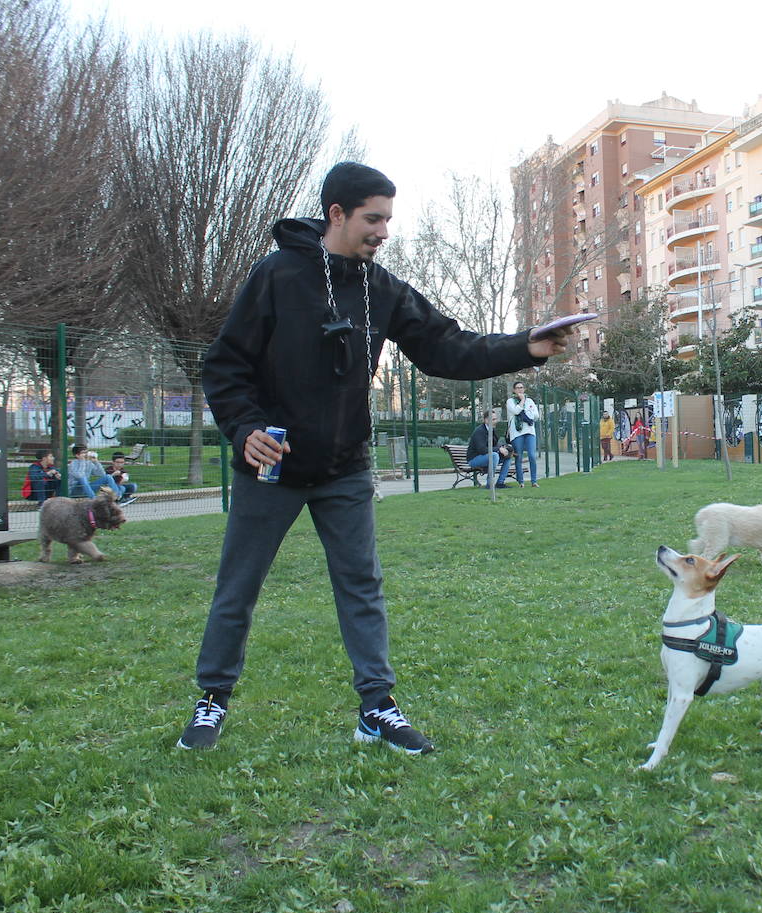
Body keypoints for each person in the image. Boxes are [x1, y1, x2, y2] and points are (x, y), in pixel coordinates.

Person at [178, 162, 572, 754]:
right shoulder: (276, 276)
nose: (384, 231)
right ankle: (212, 700)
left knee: (362, 586)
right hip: (272, 465)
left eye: (388, 219)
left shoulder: (380, 288)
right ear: (336, 214)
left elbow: (445, 347)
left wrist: (525, 347)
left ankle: (376, 708)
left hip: (344, 468)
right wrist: (245, 428)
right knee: (238, 587)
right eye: (373, 218)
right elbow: (225, 365)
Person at [466, 409, 514, 488]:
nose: (496, 421)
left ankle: (500, 483)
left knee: (507, 457)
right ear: (486, 420)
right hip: (474, 459)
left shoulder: (492, 430)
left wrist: (504, 448)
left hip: (486, 457)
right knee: (494, 455)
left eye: (496, 419)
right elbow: (482, 450)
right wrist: (498, 449)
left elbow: (495, 445)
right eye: (493, 419)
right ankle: (490, 484)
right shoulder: (480, 431)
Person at [505, 380, 540, 486]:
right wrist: (522, 400)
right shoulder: (510, 401)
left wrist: (527, 414)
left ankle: (534, 481)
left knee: (532, 455)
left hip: (529, 431)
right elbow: (516, 411)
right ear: (514, 390)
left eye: (522, 387)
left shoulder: (530, 401)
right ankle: (521, 481)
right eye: (518, 388)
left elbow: (536, 415)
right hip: (517, 432)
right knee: (518, 457)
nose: (520, 389)